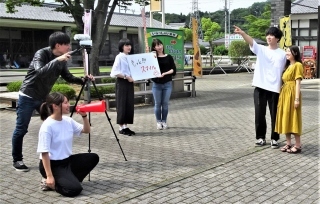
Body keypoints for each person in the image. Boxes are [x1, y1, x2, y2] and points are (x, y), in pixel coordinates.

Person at [11, 31, 94, 172]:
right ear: (58, 45)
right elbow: (40, 71)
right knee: (21, 129)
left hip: (44, 98)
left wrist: (83, 80)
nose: (69, 47)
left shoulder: (61, 59)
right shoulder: (42, 54)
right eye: (66, 44)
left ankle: (53, 157)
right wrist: (57, 60)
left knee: (53, 124)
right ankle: (17, 159)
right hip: (28, 96)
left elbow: (67, 76)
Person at [37, 92, 99, 197]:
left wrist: (84, 116)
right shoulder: (47, 126)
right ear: (55, 106)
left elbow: (86, 130)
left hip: (67, 161)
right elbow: (44, 153)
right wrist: (49, 176)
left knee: (93, 158)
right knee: (75, 190)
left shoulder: (68, 120)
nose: (69, 105)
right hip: (53, 165)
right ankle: (50, 183)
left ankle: (70, 179)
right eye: (65, 103)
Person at [234, 25, 287, 148]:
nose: (269, 37)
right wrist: (242, 33)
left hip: (275, 88)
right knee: (259, 114)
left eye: (272, 35)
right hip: (260, 87)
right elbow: (251, 41)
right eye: (267, 35)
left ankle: (275, 138)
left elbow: (290, 68)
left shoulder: (283, 54)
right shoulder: (261, 49)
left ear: (278, 38)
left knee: (275, 115)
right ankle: (260, 137)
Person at [275, 46, 304, 153]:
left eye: (289, 51)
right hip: (285, 94)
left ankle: (298, 144)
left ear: (295, 53)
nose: (286, 53)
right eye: (286, 51)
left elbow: (297, 83)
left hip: (292, 94)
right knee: (286, 117)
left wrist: (296, 99)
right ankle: (288, 143)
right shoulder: (287, 66)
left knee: (294, 117)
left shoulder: (298, 65)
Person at [110, 38, 136, 136]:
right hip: (122, 82)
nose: (129, 47)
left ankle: (125, 126)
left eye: (129, 45)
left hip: (129, 83)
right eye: (126, 45)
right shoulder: (119, 57)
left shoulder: (130, 57)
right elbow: (114, 72)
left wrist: (134, 77)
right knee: (122, 104)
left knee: (128, 104)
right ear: (122, 47)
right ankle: (121, 127)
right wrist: (126, 76)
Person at [151, 38, 177, 130]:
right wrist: (156, 76)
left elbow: (173, 69)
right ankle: (158, 122)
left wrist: (165, 73)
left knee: (165, 104)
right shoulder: (152, 58)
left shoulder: (169, 57)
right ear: (154, 47)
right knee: (158, 104)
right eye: (157, 45)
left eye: (160, 44)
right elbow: (150, 70)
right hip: (156, 84)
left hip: (167, 83)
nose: (159, 47)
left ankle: (164, 121)